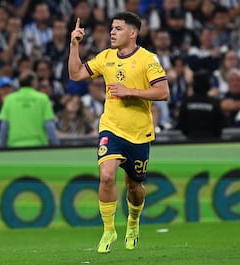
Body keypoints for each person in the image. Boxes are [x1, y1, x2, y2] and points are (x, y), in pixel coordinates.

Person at [68, 12, 169, 253]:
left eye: (118, 28)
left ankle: (133, 222)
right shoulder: (106, 57)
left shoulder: (148, 60)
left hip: (139, 134)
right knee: (106, 176)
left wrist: (130, 91)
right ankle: (109, 229)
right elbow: (76, 75)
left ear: (132, 33)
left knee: (134, 188)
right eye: (112, 28)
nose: (112, 32)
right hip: (111, 129)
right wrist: (74, 45)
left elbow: (163, 92)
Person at [0, 70, 60, 148]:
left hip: (14, 148)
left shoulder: (9, 100)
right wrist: (56, 146)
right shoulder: (43, 99)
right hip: (38, 147)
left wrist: (2, 148)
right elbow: (49, 125)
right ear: (33, 83)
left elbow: (4, 126)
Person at [177, 69, 225, 139]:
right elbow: (220, 125)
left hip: (191, 140)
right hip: (211, 140)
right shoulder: (214, 102)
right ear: (208, 85)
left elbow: (182, 124)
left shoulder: (186, 102)